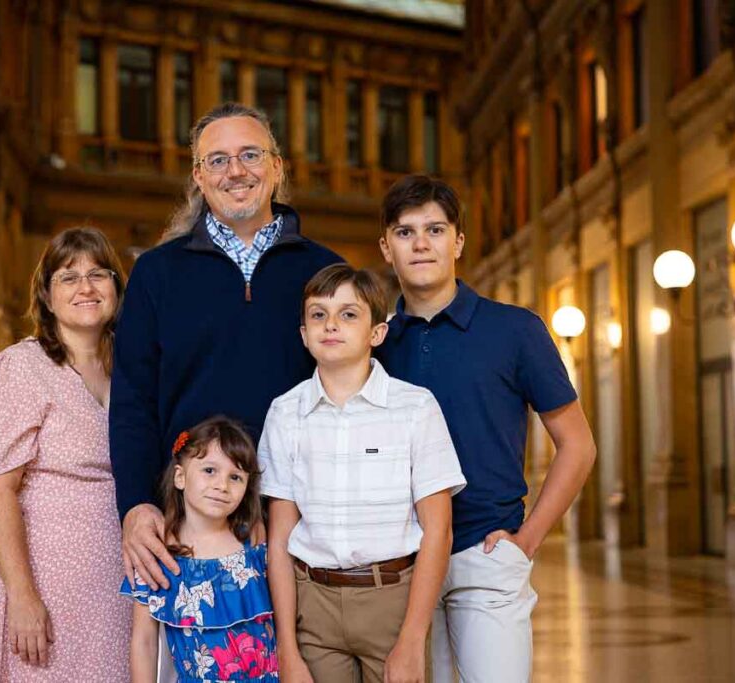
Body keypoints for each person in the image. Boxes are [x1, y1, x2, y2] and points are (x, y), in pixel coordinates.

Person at [110, 102, 342, 593]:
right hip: (189, 528)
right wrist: (135, 505)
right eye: (217, 160)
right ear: (198, 176)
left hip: (306, 524)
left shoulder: (325, 272)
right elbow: (132, 401)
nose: (235, 171)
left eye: (250, 155)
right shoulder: (156, 273)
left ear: (277, 167)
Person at [374, 175, 597, 682]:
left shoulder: (516, 330)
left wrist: (528, 539)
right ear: (386, 248)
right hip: (401, 561)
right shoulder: (375, 345)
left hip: (487, 552)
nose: (421, 243)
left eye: (435, 229)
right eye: (405, 233)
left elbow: (578, 445)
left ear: (458, 241)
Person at [261, 264, 467, 683]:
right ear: (303, 334)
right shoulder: (285, 412)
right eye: (318, 315)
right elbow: (279, 538)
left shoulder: (415, 408)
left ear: (377, 333)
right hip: (312, 603)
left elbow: (438, 530)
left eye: (348, 314)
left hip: (391, 601)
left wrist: (412, 638)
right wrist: (286, 645)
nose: (330, 324)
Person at [0, 227, 132, 680]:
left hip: (115, 586)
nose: (86, 287)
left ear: (116, 287)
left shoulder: (131, 372)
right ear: (47, 297)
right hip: (45, 582)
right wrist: (23, 595)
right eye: (69, 277)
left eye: (98, 274)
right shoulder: (22, 368)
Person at [122, 416, 279, 683]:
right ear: (180, 477)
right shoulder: (158, 557)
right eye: (209, 470)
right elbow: (144, 642)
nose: (222, 485)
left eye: (235, 477)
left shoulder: (255, 547)